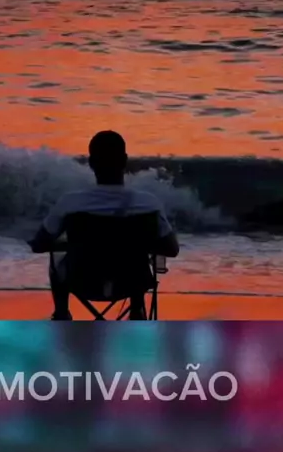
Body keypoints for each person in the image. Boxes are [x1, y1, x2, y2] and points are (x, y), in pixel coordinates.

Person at [29, 130, 179, 319]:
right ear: (124, 161)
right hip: (129, 284)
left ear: (91, 163)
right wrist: (135, 243)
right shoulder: (148, 204)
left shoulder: (71, 203)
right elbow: (171, 249)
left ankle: (62, 314)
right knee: (138, 264)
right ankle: (136, 310)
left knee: (56, 262)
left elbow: (39, 244)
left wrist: (72, 244)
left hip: (82, 283)